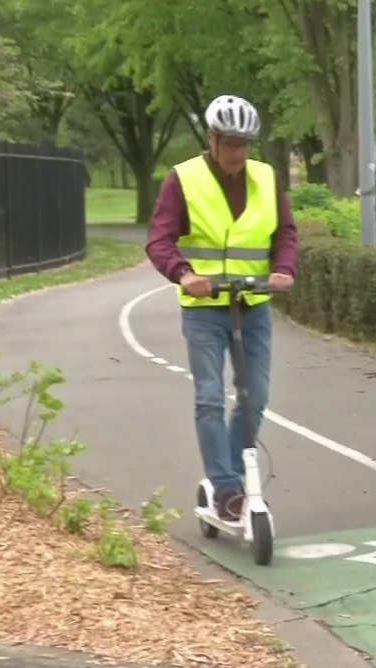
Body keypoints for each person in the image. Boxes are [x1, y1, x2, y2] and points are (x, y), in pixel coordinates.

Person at [145, 94, 298, 521]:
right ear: (211, 139)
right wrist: (183, 274)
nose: (237, 153)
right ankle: (227, 489)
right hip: (204, 307)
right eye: (229, 143)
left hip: (253, 304)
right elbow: (159, 240)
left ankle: (229, 474)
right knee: (210, 396)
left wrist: (284, 268)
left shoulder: (266, 179)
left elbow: (285, 232)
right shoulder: (183, 179)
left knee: (256, 395)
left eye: (244, 144)